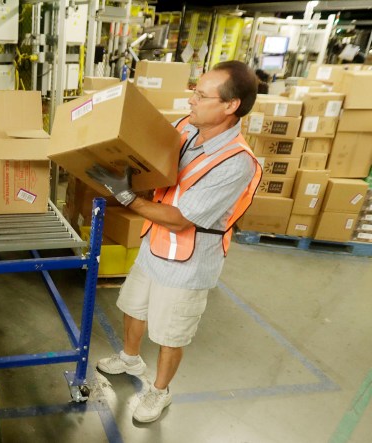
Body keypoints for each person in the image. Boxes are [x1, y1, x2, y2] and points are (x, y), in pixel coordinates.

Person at [87, 60, 262, 423]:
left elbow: (182, 217)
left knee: (171, 330)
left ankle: (160, 392)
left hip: (189, 261)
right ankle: (130, 359)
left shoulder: (236, 163)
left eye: (200, 95)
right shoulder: (187, 127)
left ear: (230, 106)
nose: (190, 100)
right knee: (134, 305)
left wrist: (127, 199)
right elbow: (155, 161)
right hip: (156, 243)